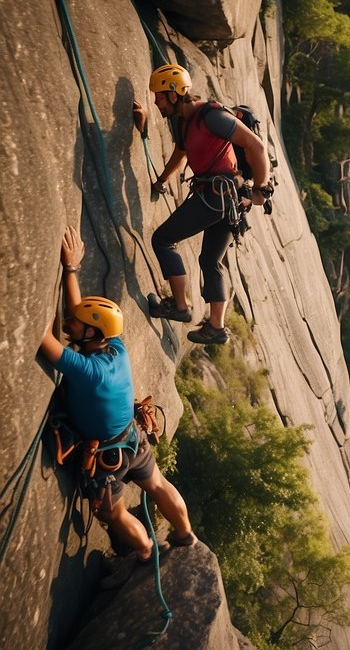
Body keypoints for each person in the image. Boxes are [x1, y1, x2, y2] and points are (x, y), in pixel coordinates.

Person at [39, 227, 197, 582]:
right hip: (133, 439)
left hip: (109, 459)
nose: (70, 321)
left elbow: (43, 339)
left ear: (91, 334)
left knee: (113, 514)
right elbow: (77, 317)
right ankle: (186, 535)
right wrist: (70, 269)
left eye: (77, 323)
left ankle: (144, 554)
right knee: (156, 484)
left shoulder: (86, 369)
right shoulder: (115, 346)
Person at [133, 63, 271, 345]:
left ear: (173, 94)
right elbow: (181, 152)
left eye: (159, 96)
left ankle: (180, 307)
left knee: (162, 240)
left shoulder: (211, 116)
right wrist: (161, 179)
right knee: (210, 260)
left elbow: (255, 145)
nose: (156, 101)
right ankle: (216, 328)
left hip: (217, 197)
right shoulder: (184, 122)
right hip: (227, 201)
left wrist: (261, 188)